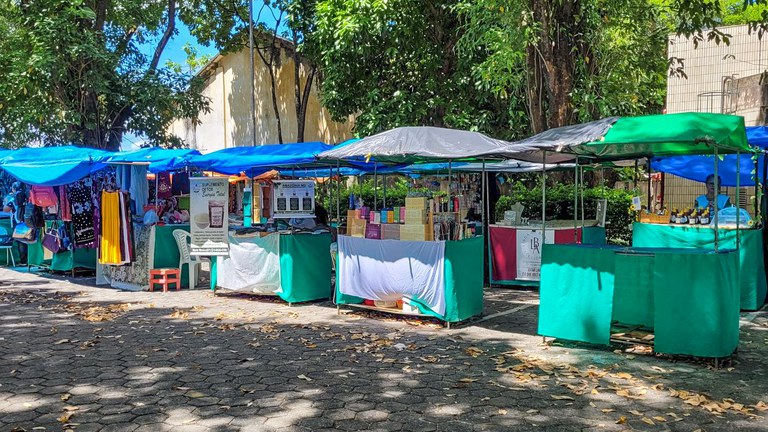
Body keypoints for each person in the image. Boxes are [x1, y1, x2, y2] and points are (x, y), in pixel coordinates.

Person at [7, 182, 28, 264]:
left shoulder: (13, 199)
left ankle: (23, 261)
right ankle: (29, 260)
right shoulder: (26, 196)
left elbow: (6, 209)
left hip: (18, 222)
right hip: (28, 220)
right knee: (28, 240)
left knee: (21, 241)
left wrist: (7, 200)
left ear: (14, 189)